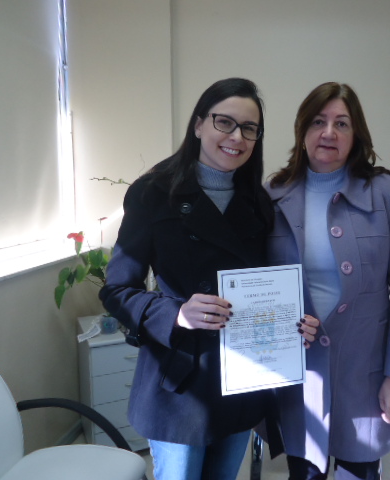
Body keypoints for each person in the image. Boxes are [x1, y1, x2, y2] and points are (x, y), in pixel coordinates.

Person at [99, 78, 318, 480]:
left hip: (242, 376)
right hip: (180, 382)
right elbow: (116, 290)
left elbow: (268, 286)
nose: (236, 137)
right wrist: (177, 313)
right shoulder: (154, 193)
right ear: (199, 124)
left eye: (249, 128)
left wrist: (293, 323)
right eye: (224, 122)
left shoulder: (259, 202)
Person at [264, 82, 390, 480]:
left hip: (364, 374)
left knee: (360, 471)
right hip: (299, 374)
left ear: (356, 135)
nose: (329, 132)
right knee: (305, 472)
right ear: (302, 131)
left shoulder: (385, 193)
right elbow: (259, 288)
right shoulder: (272, 196)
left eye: (342, 123)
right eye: (318, 122)